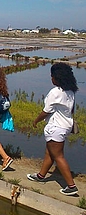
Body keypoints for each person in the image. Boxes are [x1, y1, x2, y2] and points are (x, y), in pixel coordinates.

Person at [27, 63, 79, 196]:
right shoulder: (71, 91)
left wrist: (36, 120)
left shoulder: (55, 92)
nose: (51, 78)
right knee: (49, 153)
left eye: (52, 76)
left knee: (58, 156)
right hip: (65, 125)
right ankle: (40, 176)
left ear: (57, 77)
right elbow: (71, 110)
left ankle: (71, 186)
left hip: (56, 127)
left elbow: (46, 111)